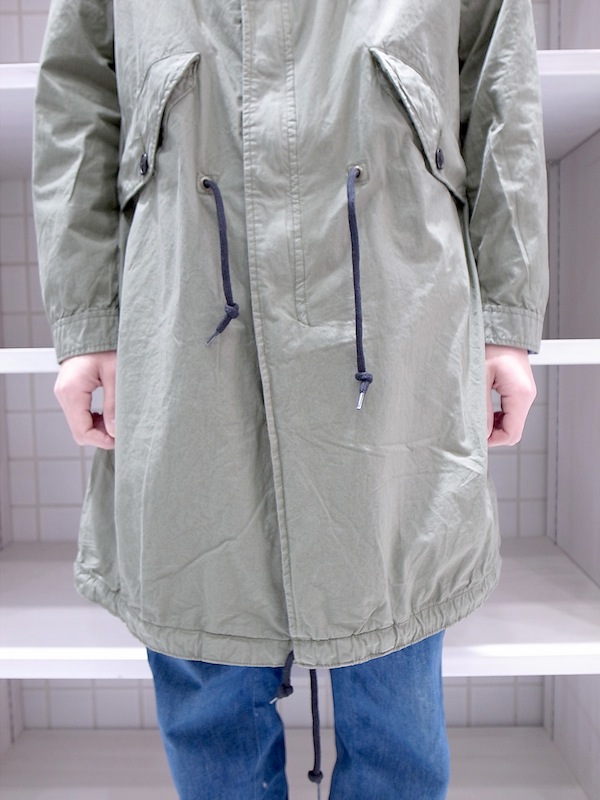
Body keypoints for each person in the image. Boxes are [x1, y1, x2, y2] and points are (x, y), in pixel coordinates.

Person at [33, 0, 548, 797]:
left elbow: (500, 85)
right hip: (184, 297)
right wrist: (87, 318)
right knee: (204, 642)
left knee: (394, 662)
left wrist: (507, 319)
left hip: (394, 296)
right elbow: (78, 94)